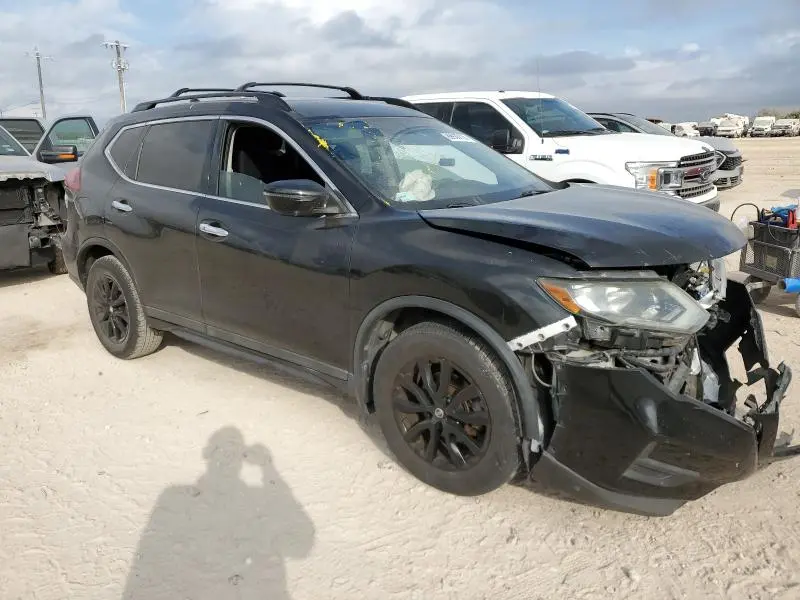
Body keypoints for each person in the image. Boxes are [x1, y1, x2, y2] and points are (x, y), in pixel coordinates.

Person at [122, 427, 315, 599]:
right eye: (222, 450)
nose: (228, 458)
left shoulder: (257, 499)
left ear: (243, 459)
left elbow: (302, 542)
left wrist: (268, 469)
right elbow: (151, 560)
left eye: (234, 452)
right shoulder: (179, 499)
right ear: (210, 455)